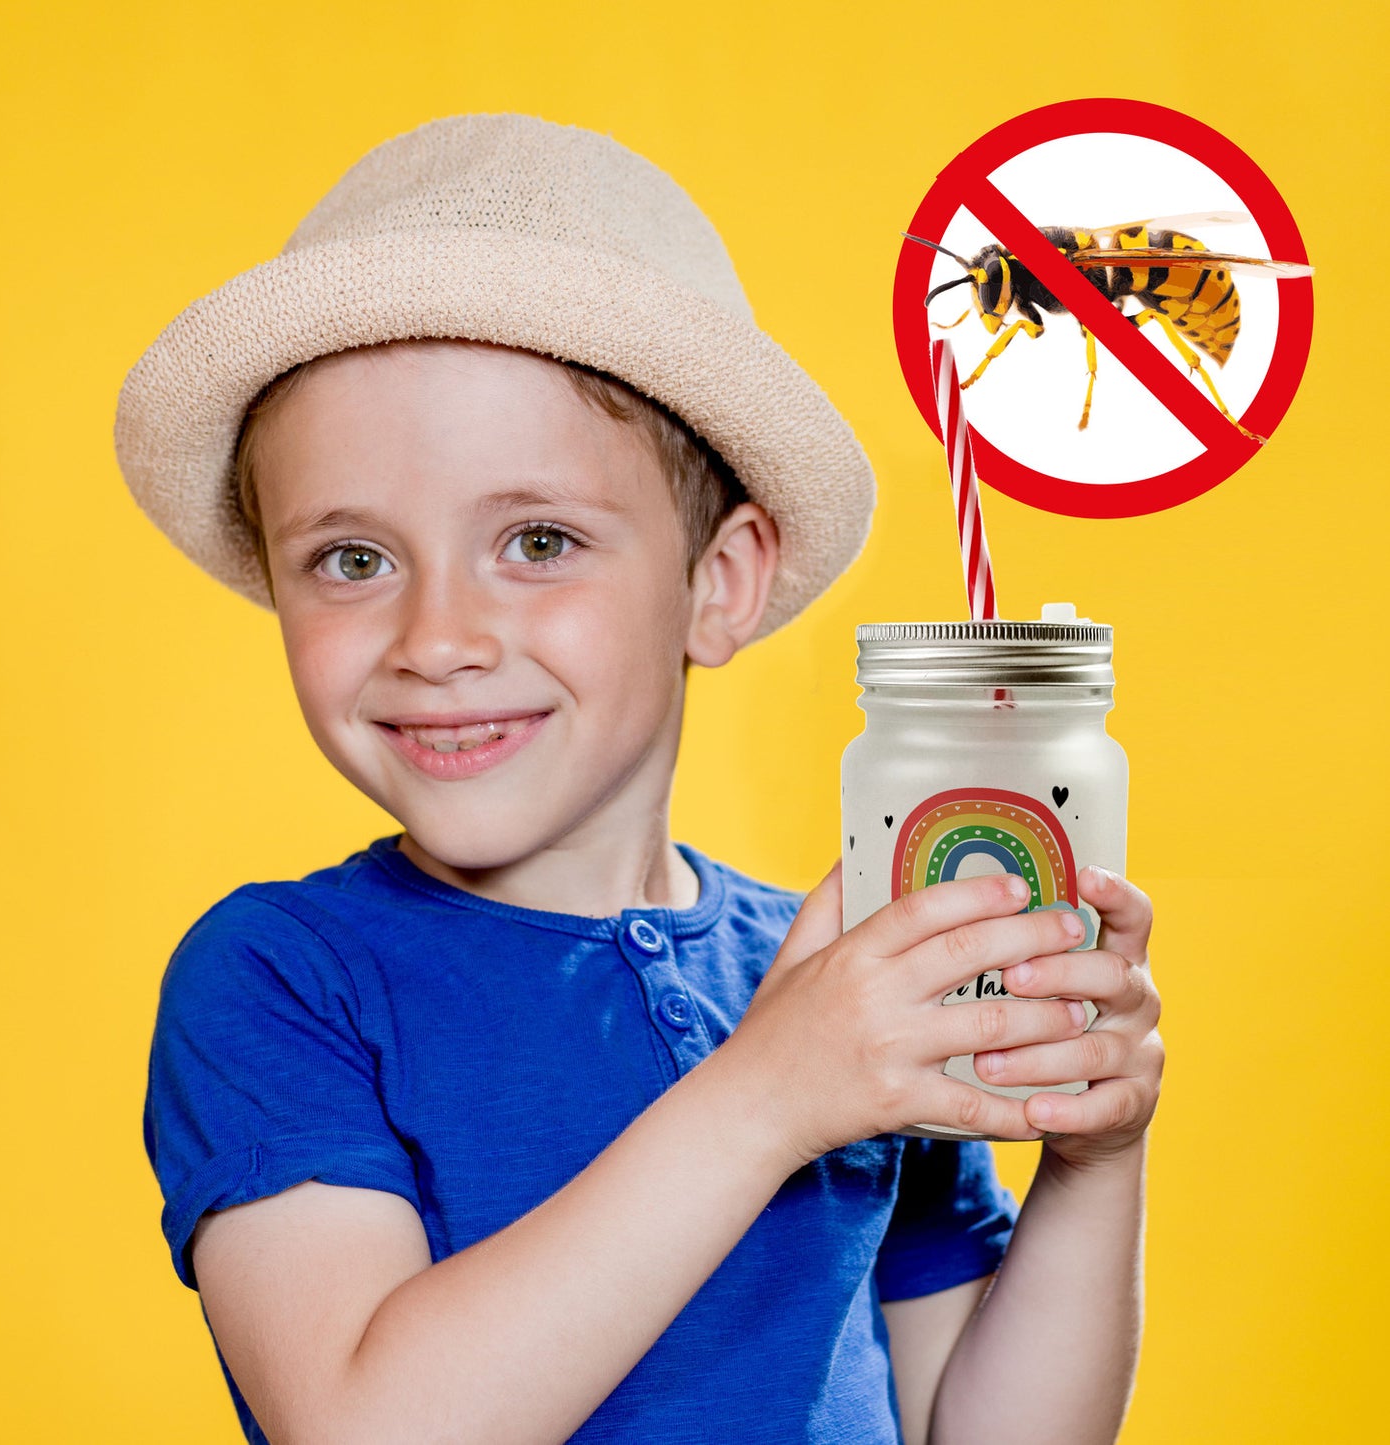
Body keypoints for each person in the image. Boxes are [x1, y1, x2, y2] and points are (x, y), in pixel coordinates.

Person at [119, 114, 1163, 1445]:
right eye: (352, 559)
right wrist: (772, 1093)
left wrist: (1090, 1156)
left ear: (714, 584)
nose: (437, 639)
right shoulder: (280, 976)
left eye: (537, 539)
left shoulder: (829, 984)